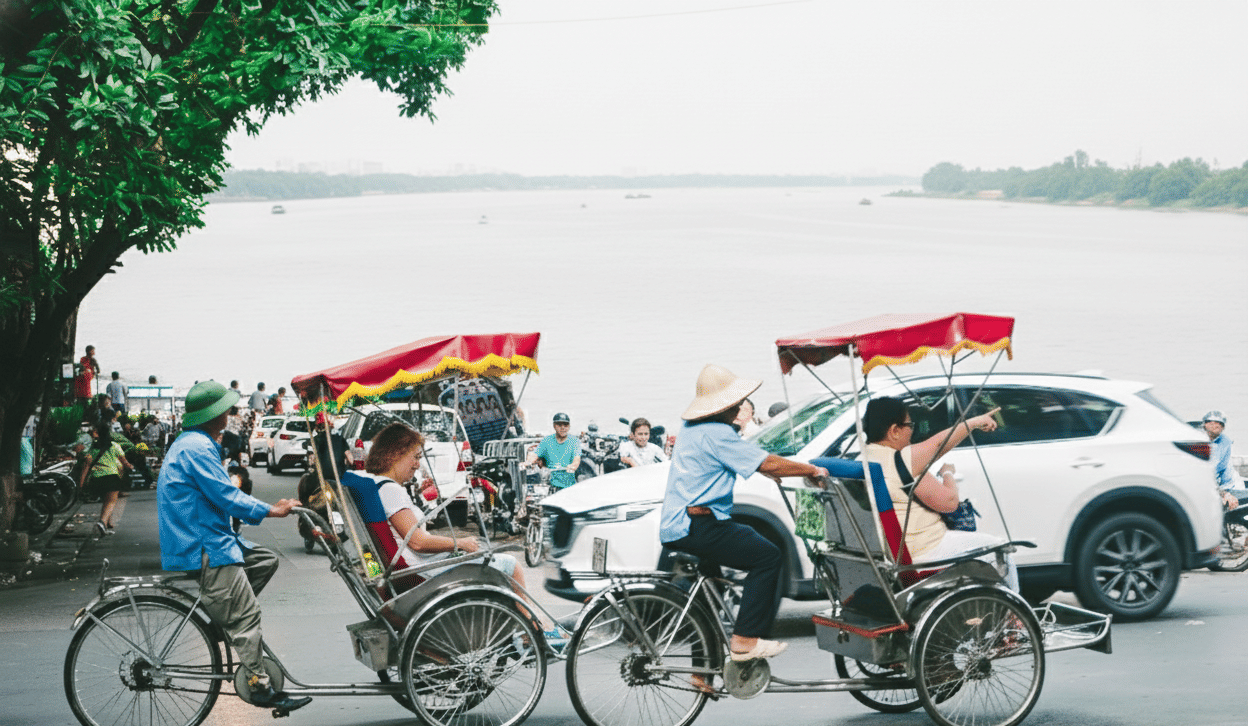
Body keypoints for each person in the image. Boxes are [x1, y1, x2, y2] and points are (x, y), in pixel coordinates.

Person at [156, 380, 310, 712]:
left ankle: (224, 616)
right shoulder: (197, 448)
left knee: (265, 560)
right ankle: (259, 684)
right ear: (215, 414)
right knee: (247, 615)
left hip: (208, 537)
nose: (229, 414)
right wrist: (271, 510)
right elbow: (226, 495)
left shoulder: (193, 443)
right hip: (205, 544)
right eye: (225, 409)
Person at [660, 364, 828, 662]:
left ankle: (702, 671)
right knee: (767, 556)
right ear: (724, 405)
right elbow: (767, 462)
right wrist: (811, 469)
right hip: (699, 523)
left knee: (709, 588)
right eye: (735, 402)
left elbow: (742, 460)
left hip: (679, 524)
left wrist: (765, 469)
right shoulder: (718, 433)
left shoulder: (691, 429)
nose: (739, 407)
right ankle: (745, 640)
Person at [350, 422, 568, 644]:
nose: (417, 464)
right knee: (511, 565)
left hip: (410, 567)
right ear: (395, 454)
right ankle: (532, 631)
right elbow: (418, 542)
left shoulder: (375, 484)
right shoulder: (391, 490)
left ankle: (528, 626)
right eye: (415, 457)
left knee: (487, 556)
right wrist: (460, 544)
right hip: (421, 572)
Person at [861, 396, 1018, 591]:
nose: (912, 432)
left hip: (894, 553)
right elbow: (950, 501)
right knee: (999, 549)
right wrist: (948, 473)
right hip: (926, 550)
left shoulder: (865, 457)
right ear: (894, 431)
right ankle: (1013, 609)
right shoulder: (899, 460)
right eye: (910, 425)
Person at [86, 422, 132, 535]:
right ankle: (102, 522)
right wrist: (130, 466)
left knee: (105, 501)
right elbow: (124, 462)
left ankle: (107, 523)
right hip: (111, 477)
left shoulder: (93, 448)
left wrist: (82, 483)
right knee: (111, 502)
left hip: (96, 478)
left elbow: (87, 464)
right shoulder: (114, 446)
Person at [1203, 411, 1247, 511]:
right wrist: (1223, 494)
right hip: (1211, 488)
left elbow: (1225, 475)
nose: (1214, 425)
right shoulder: (1197, 443)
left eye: (1219, 423)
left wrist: (1225, 493)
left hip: (1228, 486)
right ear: (1205, 424)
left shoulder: (1225, 441)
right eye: (1210, 422)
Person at [526, 412, 581, 489]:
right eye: (559, 425)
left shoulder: (574, 441)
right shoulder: (547, 440)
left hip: (569, 487)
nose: (563, 428)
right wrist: (528, 462)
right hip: (551, 485)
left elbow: (577, 459)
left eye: (565, 425)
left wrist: (572, 466)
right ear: (554, 426)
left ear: (569, 426)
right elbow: (535, 454)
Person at [311, 414, 352, 479]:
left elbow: (312, 461)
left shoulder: (314, 440)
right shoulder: (340, 439)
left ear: (317, 427)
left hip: (321, 477)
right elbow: (350, 459)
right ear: (330, 426)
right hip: (339, 476)